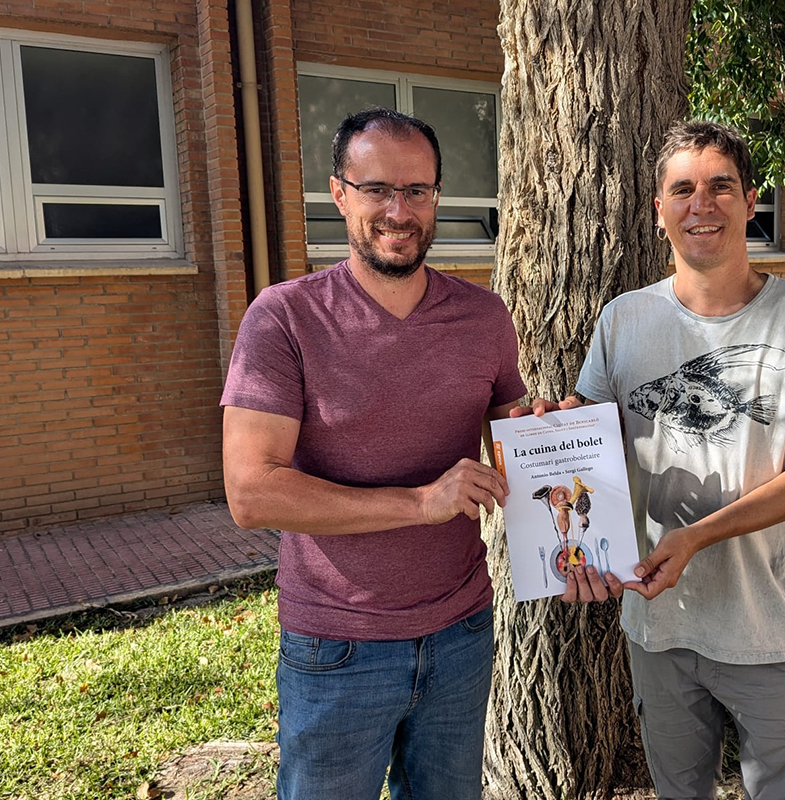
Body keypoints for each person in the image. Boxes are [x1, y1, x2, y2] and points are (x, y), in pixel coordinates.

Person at [528, 120, 785, 799]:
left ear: (748, 200)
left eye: (720, 187)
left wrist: (697, 536)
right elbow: (587, 443)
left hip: (764, 625)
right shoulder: (622, 319)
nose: (700, 206)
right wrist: (553, 436)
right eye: (682, 190)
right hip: (658, 626)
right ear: (658, 210)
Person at [220, 108, 526, 800]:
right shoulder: (284, 318)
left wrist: (560, 435)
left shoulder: (484, 317)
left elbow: (517, 439)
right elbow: (252, 492)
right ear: (339, 193)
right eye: (377, 189)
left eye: (418, 190)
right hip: (337, 645)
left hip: (462, 632)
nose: (399, 210)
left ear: (438, 197)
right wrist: (421, 503)